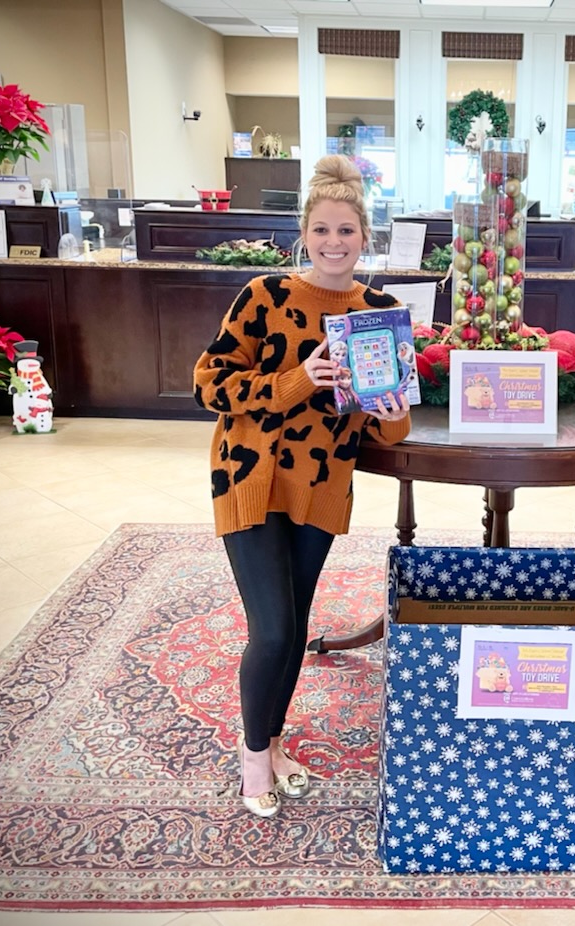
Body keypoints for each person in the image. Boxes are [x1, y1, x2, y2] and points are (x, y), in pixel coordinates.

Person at [192, 154, 411, 818]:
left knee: (296, 625)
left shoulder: (381, 311)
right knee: (273, 628)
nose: (334, 243)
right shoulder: (265, 296)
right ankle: (254, 757)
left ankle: (277, 741)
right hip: (252, 477)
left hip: (320, 487)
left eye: (346, 231)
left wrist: (395, 414)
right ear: (304, 234)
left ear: (364, 237)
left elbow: (385, 431)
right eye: (322, 231)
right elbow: (210, 383)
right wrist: (296, 380)